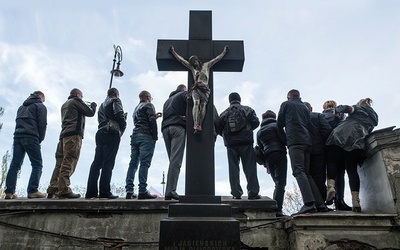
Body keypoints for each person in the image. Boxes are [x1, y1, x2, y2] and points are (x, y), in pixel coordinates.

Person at [277, 89, 329, 215]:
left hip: (295, 141)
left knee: (298, 171)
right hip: (307, 142)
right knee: (306, 173)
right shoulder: (304, 107)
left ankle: (309, 204)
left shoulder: (286, 104)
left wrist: (285, 140)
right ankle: (320, 204)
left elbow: (279, 123)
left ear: (288, 96)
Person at [325, 98, 378, 212]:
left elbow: (346, 108)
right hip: (358, 139)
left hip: (341, 134)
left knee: (332, 160)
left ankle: (330, 187)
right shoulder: (374, 118)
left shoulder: (360, 108)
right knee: (352, 170)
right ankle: (356, 201)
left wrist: (337, 111)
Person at [47, 88, 97, 199]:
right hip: (73, 135)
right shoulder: (76, 101)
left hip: (63, 136)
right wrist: (93, 105)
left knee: (59, 163)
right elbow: (90, 112)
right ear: (78, 95)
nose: (82, 99)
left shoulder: (64, 104)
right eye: (82, 96)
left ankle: (53, 189)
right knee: (69, 160)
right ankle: (64, 189)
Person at [170, 45, 229, 134]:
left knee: (203, 105)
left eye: (195, 61)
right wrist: (173, 52)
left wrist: (224, 52)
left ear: (198, 60)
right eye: (192, 62)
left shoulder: (206, 65)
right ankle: (196, 124)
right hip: (196, 88)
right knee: (196, 103)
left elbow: (217, 59)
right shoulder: (192, 68)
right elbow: (181, 60)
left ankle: (200, 124)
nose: (194, 63)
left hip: (205, 89)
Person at [217, 92, 261, 200]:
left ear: (229, 101)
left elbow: (218, 127)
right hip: (246, 142)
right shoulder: (248, 110)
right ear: (239, 99)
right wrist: (247, 131)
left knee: (233, 169)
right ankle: (253, 192)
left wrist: (227, 135)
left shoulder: (224, 113)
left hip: (231, 144)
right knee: (250, 167)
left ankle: (236, 193)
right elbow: (256, 122)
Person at [5, 91, 47, 199]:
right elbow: (42, 124)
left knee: (15, 164)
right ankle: (33, 190)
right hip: (31, 137)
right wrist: (40, 139)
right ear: (41, 97)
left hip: (18, 136)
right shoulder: (40, 106)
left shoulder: (21, 107)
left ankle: (9, 192)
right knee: (37, 164)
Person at [86, 88, 127, 199]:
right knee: (108, 163)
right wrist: (123, 125)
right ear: (116, 94)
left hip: (100, 132)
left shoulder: (101, 105)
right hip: (112, 131)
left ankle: (91, 192)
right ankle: (104, 192)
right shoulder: (116, 100)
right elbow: (119, 114)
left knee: (97, 163)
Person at [125, 90, 162, 199]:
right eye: (150, 97)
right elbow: (151, 121)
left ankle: (129, 190)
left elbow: (143, 119)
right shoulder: (149, 105)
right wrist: (155, 137)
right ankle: (142, 190)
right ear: (147, 97)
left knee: (133, 163)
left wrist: (154, 116)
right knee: (144, 163)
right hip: (146, 136)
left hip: (135, 135)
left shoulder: (136, 108)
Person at [256, 110, 287, 216]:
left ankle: (276, 207)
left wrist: (266, 164)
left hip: (268, 157)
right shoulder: (276, 126)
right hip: (279, 153)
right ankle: (278, 210)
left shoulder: (259, 132)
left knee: (277, 183)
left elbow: (260, 148)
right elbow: (284, 139)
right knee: (281, 183)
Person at [322, 100, 351, 210]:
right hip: (342, 145)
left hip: (328, 145)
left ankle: (330, 189)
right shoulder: (341, 116)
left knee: (329, 169)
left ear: (324, 107)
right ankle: (340, 201)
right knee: (341, 173)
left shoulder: (322, 116)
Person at [161, 84, 188, 200]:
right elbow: (191, 104)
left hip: (165, 129)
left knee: (172, 160)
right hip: (178, 128)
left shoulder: (167, 101)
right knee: (176, 161)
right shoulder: (183, 94)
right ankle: (170, 191)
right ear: (183, 89)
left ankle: (169, 190)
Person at [303, 102, 332, 202]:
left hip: (304, 151)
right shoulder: (318, 116)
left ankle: (312, 202)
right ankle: (321, 202)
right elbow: (327, 130)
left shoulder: (299, 119)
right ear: (310, 108)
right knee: (319, 177)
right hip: (319, 150)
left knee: (307, 177)